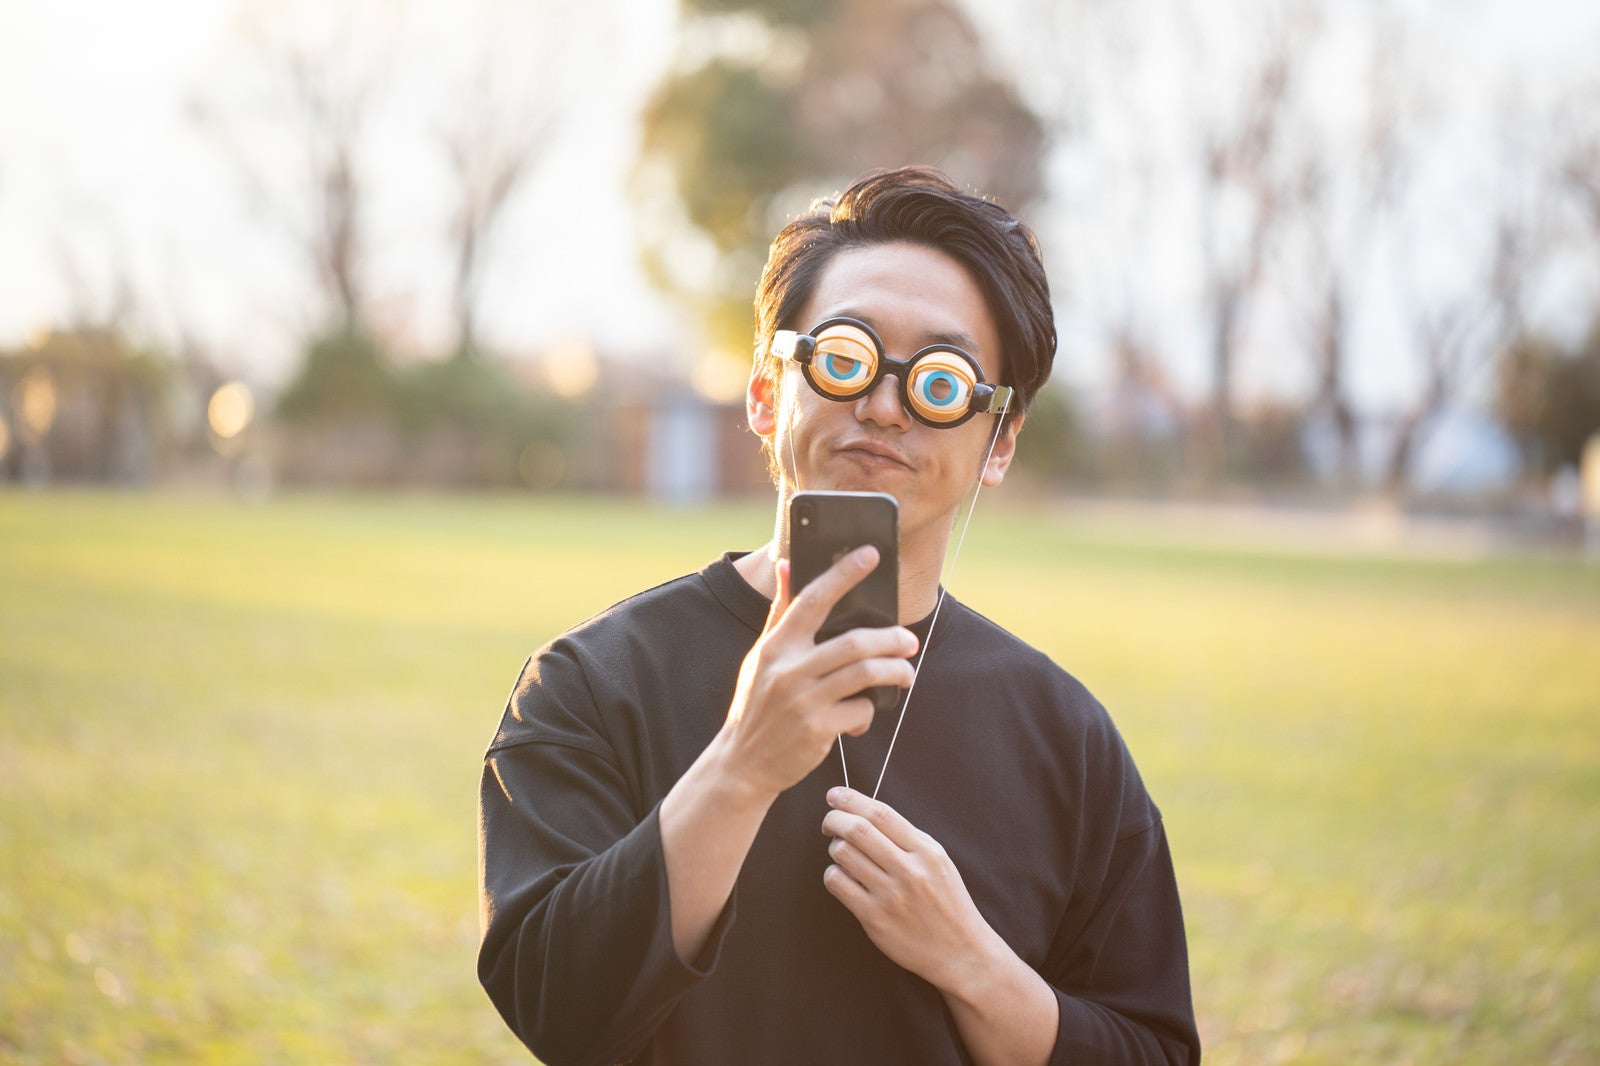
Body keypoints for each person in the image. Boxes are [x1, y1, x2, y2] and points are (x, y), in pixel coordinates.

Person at [478, 166, 1200, 1065]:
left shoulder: (1066, 737)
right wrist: (741, 768)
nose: (885, 406)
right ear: (766, 393)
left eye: (940, 383)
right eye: (844, 355)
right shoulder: (593, 684)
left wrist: (974, 966)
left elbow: (1155, 1049)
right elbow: (559, 1011)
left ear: (1000, 441)